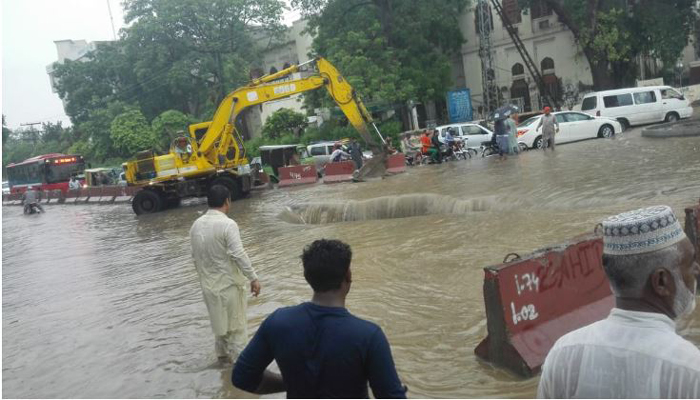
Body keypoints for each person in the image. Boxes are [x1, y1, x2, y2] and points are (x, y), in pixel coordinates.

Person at [538, 205, 700, 399]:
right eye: (690, 262)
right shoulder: (690, 369)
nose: (697, 270)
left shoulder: (563, 354)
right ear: (661, 282)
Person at [232, 239, 407, 398]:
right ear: (348, 275)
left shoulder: (278, 322)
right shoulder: (368, 336)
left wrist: (292, 383)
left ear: (307, 277)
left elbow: (242, 377)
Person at [189, 185, 261, 364]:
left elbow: (195, 258)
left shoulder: (196, 225)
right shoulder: (228, 224)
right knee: (237, 332)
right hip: (229, 287)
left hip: (209, 289)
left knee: (220, 331)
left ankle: (223, 368)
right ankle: (241, 377)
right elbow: (238, 254)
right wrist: (253, 277)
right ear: (227, 201)